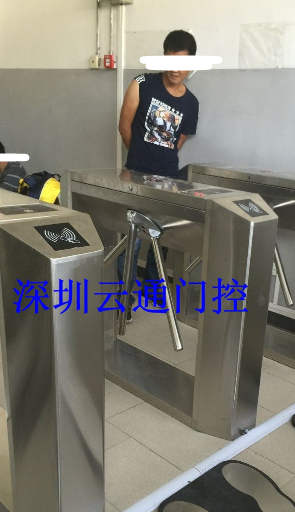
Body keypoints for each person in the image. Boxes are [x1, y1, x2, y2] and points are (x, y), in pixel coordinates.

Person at [118, 29, 199, 322]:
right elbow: (124, 125)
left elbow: (178, 141)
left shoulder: (191, 103)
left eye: (183, 62)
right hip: (135, 175)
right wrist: (140, 159)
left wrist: (160, 162)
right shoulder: (141, 83)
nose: (176, 69)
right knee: (132, 239)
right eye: (171, 60)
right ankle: (123, 299)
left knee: (160, 236)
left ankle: (154, 291)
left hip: (168, 179)